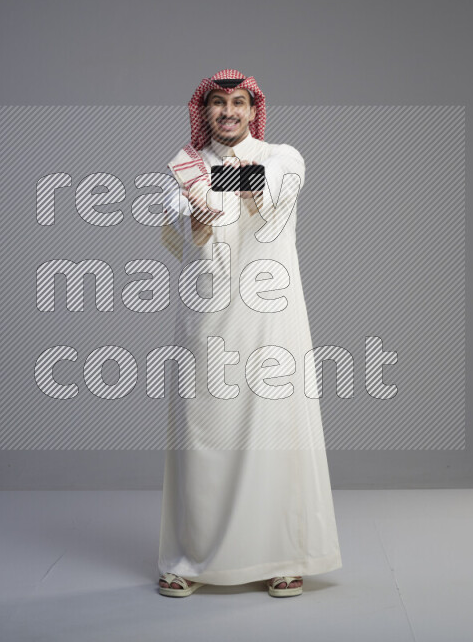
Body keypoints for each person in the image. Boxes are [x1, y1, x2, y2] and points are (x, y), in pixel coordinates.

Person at [157, 69, 342, 598]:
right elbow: (182, 230)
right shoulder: (184, 169)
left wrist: (207, 186)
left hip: (271, 321)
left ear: (253, 109)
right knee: (202, 435)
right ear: (205, 112)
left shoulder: (285, 155)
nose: (229, 113)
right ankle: (189, 559)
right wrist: (195, 209)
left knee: (275, 432)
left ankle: (284, 556)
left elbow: (268, 187)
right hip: (207, 319)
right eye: (218, 104)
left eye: (238, 103)